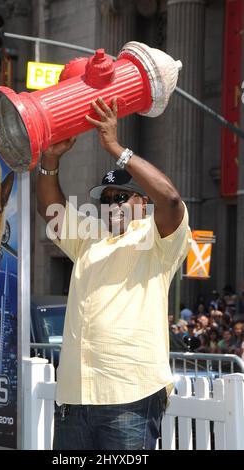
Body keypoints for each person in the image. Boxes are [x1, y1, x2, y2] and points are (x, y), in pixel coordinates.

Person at [37, 96, 192, 450]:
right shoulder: (90, 239)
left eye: (121, 196)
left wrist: (116, 148)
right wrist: (50, 160)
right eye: (106, 199)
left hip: (129, 398)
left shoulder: (157, 237)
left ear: (142, 201)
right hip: (75, 396)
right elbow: (50, 210)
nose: (112, 204)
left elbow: (170, 199)